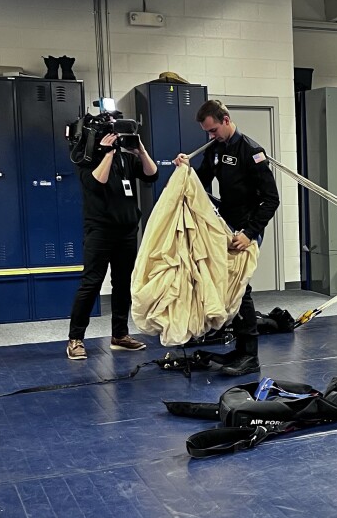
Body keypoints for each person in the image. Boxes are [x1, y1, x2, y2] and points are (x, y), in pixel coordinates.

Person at [174, 100, 280, 376]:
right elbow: (201, 182)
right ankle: (240, 349)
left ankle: (250, 356)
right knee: (228, 287)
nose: (211, 136)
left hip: (246, 228)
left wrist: (250, 233)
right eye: (207, 132)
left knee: (240, 288)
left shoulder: (252, 151)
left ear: (226, 119)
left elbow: (271, 199)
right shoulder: (216, 149)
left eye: (213, 130)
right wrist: (184, 169)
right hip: (226, 225)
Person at [67, 130, 159, 360]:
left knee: (123, 284)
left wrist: (141, 151)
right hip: (100, 231)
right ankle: (75, 339)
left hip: (126, 231)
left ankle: (120, 335)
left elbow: (152, 174)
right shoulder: (85, 158)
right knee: (91, 283)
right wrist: (107, 154)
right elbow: (97, 183)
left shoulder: (126, 158)